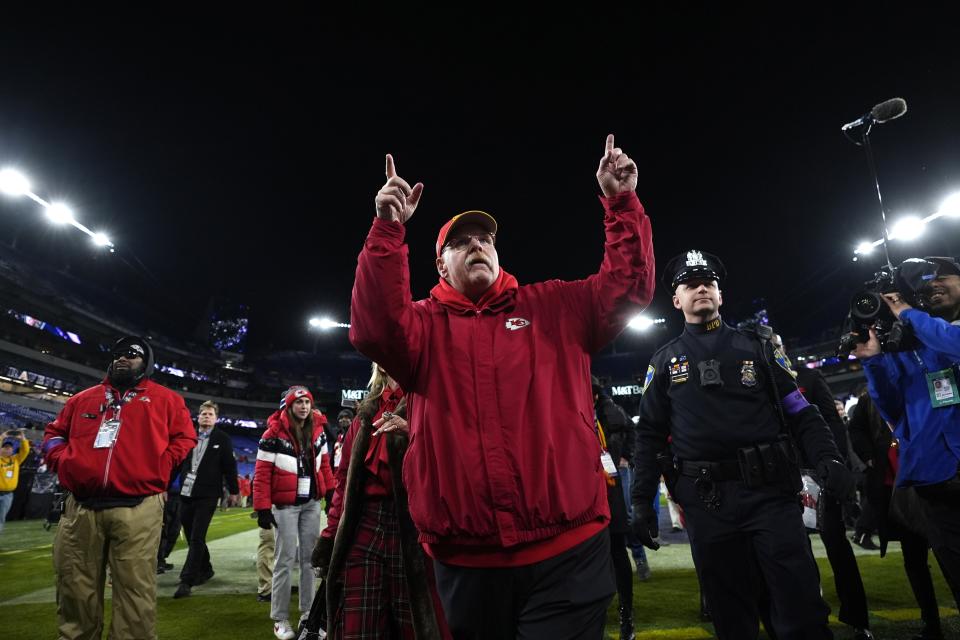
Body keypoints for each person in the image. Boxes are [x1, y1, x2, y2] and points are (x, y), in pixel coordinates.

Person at [349, 134, 654, 639]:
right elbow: (374, 327)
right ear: (440, 265)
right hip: (467, 556)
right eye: (460, 242)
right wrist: (387, 231)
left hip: (568, 546)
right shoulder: (421, 327)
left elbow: (630, 285)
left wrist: (621, 202)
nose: (477, 245)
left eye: (485, 239)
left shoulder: (555, 305)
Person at [631, 251, 849, 640]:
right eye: (690, 284)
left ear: (720, 294)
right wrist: (640, 501)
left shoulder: (760, 348)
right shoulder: (663, 361)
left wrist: (828, 457)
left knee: (801, 609)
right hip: (707, 502)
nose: (701, 288)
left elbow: (800, 410)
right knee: (732, 616)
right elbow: (648, 436)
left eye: (709, 282)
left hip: (771, 495)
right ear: (676, 300)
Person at [42, 336, 195, 640]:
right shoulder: (82, 399)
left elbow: (185, 439)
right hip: (81, 507)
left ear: (147, 363)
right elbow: (54, 433)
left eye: (132, 354)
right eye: (117, 354)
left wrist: (160, 467)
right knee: (74, 586)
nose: (123, 358)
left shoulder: (167, 400)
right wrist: (63, 461)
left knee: (135, 590)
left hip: (138, 507)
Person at [852, 256, 960, 609]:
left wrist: (907, 311)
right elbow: (893, 413)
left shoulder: (938, 332)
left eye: (943, 277)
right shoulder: (911, 345)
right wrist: (872, 361)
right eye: (927, 283)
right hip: (935, 477)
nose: (934, 285)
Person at [312, 363, 450, 639]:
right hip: (365, 525)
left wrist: (414, 434)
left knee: (413, 623)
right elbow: (344, 483)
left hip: (414, 528)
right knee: (358, 626)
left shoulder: (433, 405)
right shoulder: (364, 415)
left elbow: (451, 462)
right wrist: (329, 536)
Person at [772, 334, 873, 639]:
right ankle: (811, 618)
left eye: (776, 344)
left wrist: (834, 464)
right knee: (794, 550)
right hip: (782, 477)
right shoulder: (757, 380)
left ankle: (858, 618)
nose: (772, 349)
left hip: (817, 473)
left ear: (783, 347)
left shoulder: (808, 377)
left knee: (837, 544)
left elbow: (831, 420)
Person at [848, 389, 945, 640]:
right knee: (915, 561)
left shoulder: (921, 385)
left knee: (947, 554)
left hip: (934, 484)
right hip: (899, 492)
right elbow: (856, 429)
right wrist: (870, 457)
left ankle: (932, 624)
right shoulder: (871, 397)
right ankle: (931, 623)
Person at [254, 385, 335, 640]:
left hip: (311, 504)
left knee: (311, 561)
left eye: (307, 402)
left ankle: (308, 614)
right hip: (285, 506)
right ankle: (279, 618)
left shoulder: (319, 432)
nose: (303, 407)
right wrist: (262, 508)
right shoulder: (272, 434)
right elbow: (262, 473)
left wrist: (331, 493)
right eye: (298, 403)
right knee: (284, 559)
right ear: (288, 406)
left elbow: (325, 468)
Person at [173, 400, 240, 598]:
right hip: (186, 492)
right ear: (198, 416)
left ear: (216, 419)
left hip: (209, 494)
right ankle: (207, 568)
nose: (206, 417)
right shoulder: (188, 436)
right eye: (203, 414)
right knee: (192, 533)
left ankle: (187, 579)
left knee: (196, 537)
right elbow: (177, 462)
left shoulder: (223, 438)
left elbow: (229, 466)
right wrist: (164, 485)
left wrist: (234, 491)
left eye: (210, 414)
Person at [592, 376, 636, 640]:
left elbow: (631, 429)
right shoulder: (590, 410)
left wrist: (625, 455)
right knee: (604, 556)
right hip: (593, 491)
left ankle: (626, 614)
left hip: (608, 490)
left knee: (617, 552)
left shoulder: (609, 411)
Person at [0, 430, 30, 534]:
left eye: (10, 447)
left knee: (1, 519)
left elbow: (25, 451)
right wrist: (2, 437)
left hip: (8, 495)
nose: (8, 449)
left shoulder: (16, 460)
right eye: (5, 447)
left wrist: (23, 439)